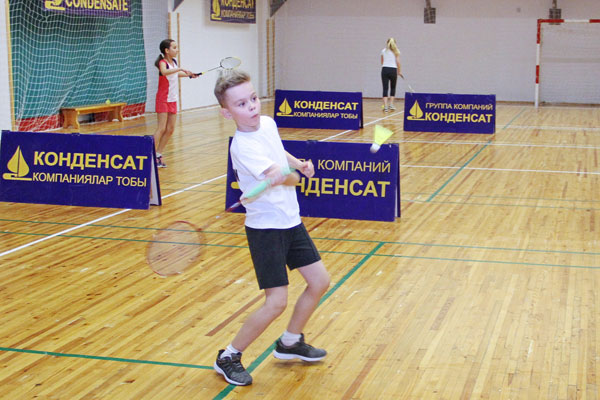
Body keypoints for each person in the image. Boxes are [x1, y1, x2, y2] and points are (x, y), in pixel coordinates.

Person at [212, 70, 331, 386]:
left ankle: (290, 342)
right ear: (227, 113)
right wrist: (296, 176)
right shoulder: (243, 147)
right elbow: (285, 178)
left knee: (319, 281)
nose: (252, 106)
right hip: (266, 230)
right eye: (241, 104)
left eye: (253, 98)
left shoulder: (267, 123)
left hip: (290, 220)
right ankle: (229, 356)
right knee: (276, 301)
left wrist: (297, 163)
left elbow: (278, 154)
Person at [153, 39, 196, 168]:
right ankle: (148, 154)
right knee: (161, 128)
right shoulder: (162, 62)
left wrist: (189, 75)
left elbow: (175, 75)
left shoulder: (174, 62)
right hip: (163, 99)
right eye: (174, 47)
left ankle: (158, 154)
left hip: (173, 99)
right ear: (167, 50)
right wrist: (180, 68)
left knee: (170, 129)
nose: (177, 50)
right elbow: (164, 72)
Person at [380, 37, 402, 113]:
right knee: (393, 87)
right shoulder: (396, 51)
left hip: (385, 69)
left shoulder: (383, 51)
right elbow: (398, 62)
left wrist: (386, 66)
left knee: (385, 88)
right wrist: (399, 71)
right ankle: (391, 104)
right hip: (393, 70)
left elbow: (382, 62)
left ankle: (385, 106)